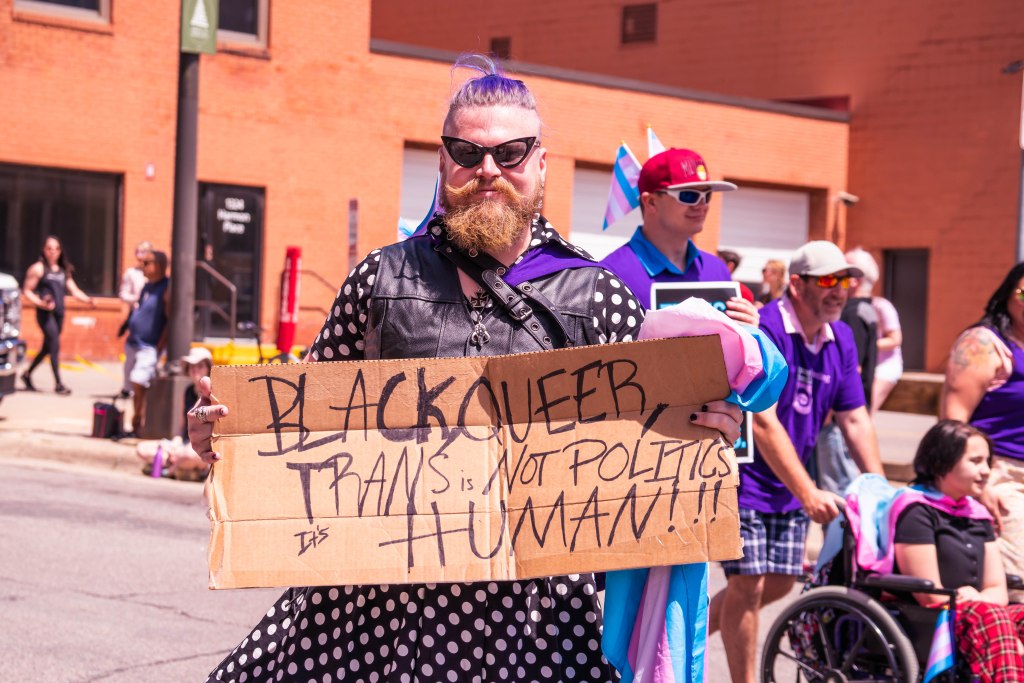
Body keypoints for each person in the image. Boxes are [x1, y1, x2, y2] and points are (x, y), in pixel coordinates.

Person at [186, 54, 743, 683]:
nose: (488, 170)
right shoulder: (381, 279)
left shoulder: (596, 297)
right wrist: (226, 433)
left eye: (511, 153)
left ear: (540, 164)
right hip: (373, 619)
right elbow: (303, 412)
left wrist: (707, 428)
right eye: (467, 152)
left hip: (539, 630)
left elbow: (655, 444)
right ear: (442, 161)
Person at [706, 240, 884, 683]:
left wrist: (880, 489)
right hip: (744, 479)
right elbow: (762, 422)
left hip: (790, 481)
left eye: (845, 281)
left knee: (781, 583)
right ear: (798, 284)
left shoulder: (840, 338)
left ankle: (684, 633)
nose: (839, 290)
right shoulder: (763, 326)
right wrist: (808, 492)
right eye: (828, 280)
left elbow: (854, 417)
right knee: (748, 585)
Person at [894, 420, 1024, 682]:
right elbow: (929, 596)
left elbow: (998, 590)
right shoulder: (916, 511)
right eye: (975, 461)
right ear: (942, 462)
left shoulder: (978, 515)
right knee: (992, 617)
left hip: (979, 611)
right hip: (933, 618)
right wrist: (976, 603)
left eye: (987, 462)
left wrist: (978, 598)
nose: (986, 471)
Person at [600, 148, 759, 325]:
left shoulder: (717, 270)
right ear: (651, 202)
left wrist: (749, 329)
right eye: (689, 195)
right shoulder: (609, 274)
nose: (701, 205)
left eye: (707, 195)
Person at [941, 261, 1024, 594]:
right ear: (1008, 295)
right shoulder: (984, 345)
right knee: (1020, 577)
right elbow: (953, 420)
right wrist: (980, 483)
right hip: (1000, 474)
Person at [20, 235, 95, 395]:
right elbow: (27, 290)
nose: (53, 251)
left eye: (56, 248)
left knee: (47, 348)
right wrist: (40, 303)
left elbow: (74, 290)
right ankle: (59, 384)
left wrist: (88, 300)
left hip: (59, 313)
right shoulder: (38, 269)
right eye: (49, 248)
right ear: (44, 250)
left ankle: (27, 374)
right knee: (54, 345)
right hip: (45, 314)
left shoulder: (63, 270)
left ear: (60, 251)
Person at [135, 346, 212, 481]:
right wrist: (176, 443)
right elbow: (182, 428)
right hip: (184, 444)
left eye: (200, 366)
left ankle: (171, 469)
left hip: (200, 448)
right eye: (191, 366)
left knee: (188, 455)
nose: (195, 370)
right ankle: (178, 465)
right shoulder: (188, 392)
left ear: (208, 369)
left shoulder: (212, 394)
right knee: (142, 449)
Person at [125, 250, 170, 436]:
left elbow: (169, 320)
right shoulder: (147, 286)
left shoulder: (166, 288)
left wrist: (160, 346)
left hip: (149, 346)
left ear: (158, 266)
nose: (142, 266)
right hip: (133, 343)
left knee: (139, 381)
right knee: (133, 386)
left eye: (146, 263)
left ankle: (138, 421)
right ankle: (136, 425)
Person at [117, 240, 153, 398]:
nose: (139, 254)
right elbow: (123, 294)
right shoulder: (131, 273)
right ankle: (127, 386)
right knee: (132, 351)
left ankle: (144, 385)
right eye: (137, 251)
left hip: (152, 317)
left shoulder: (154, 275)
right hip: (137, 315)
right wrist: (136, 298)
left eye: (143, 251)